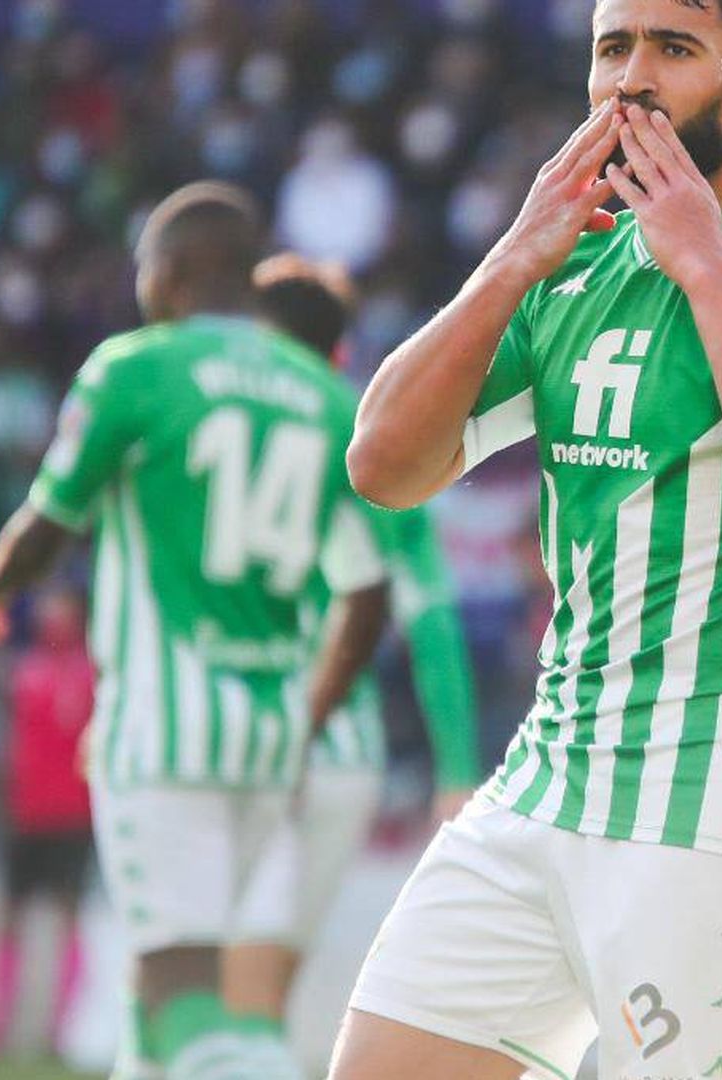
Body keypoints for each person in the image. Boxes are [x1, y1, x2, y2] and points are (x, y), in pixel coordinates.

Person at [334, 1, 722, 1077]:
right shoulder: (567, 273)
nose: (631, 80)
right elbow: (383, 463)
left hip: (710, 779)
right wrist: (513, 258)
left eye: (674, 50)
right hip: (549, 766)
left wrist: (699, 255)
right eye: (612, 48)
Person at [0, 180, 390, 1080]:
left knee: (178, 981)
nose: (141, 287)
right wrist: (311, 710)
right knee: (166, 1005)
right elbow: (369, 593)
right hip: (271, 738)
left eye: (147, 267)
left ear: (185, 269)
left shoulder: (135, 369)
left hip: (164, 732)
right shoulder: (323, 395)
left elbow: (48, 521)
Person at [223, 254, 485, 1032]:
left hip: (229, 735)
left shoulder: (211, 419)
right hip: (341, 752)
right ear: (342, 355)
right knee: (257, 1006)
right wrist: (458, 769)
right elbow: (431, 621)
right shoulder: (366, 433)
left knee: (203, 1001)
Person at [0, 586, 95, 1058]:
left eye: (62, 605)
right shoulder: (23, 668)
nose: (53, 614)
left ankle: (59, 1031)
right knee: (8, 917)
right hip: (24, 812)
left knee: (67, 918)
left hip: (71, 815)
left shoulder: (91, 673)